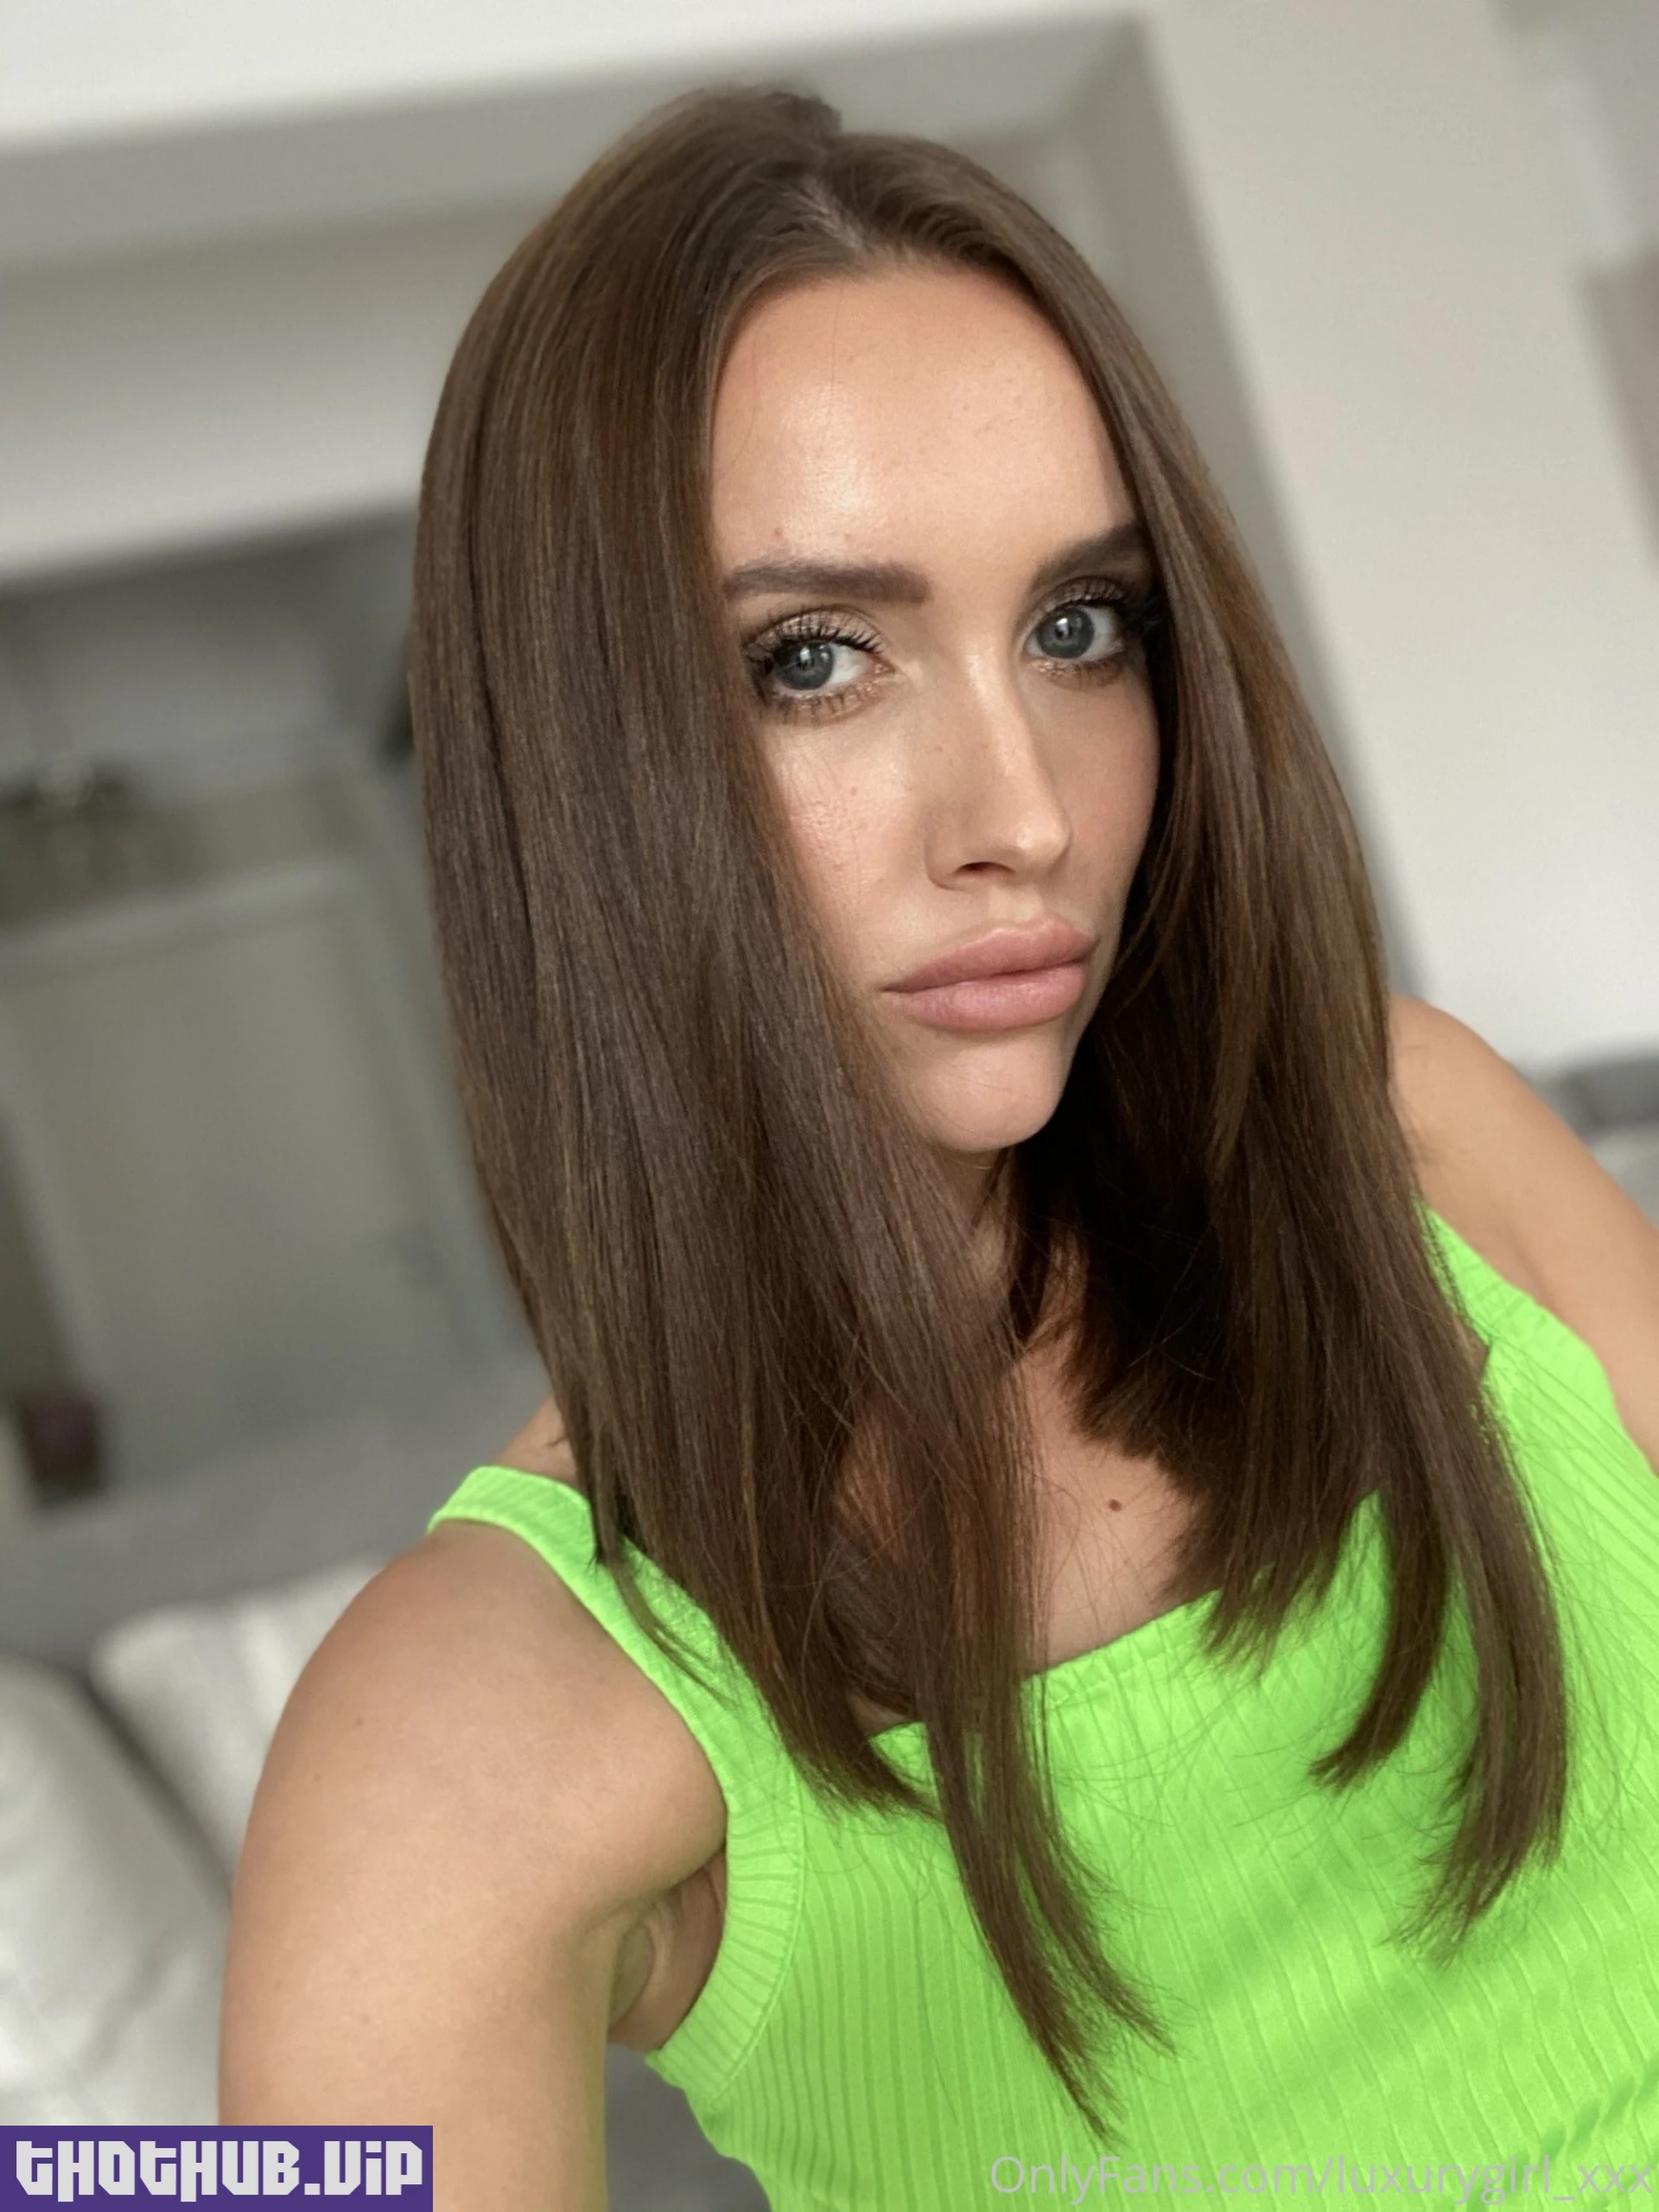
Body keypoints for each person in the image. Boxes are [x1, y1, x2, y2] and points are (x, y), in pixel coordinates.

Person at [219, 86, 1659, 2205]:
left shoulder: (1408, 1131)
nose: (1027, 813)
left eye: (1081, 627)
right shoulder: (474, 1721)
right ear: (578, 765)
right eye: (815, 659)